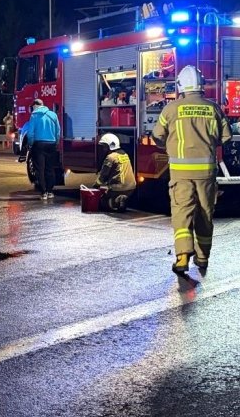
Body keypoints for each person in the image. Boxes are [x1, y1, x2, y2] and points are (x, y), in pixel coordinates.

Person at [151, 65, 231, 275]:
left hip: (180, 174)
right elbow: (226, 137)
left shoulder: (171, 109)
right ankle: (203, 258)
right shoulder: (213, 108)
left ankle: (183, 257)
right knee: (205, 213)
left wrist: (170, 142)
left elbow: (157, 135)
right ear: (201, 86)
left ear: (180, 86)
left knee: (182, 213)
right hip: (206, 173)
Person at [18, 98, 61, 200]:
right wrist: (56, 142)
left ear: (35, 106)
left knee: (39, 169)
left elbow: (31, 133)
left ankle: (43, 192)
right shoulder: (53, 115)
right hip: (51, 144)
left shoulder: (34, 116)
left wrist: (30, 144)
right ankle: (50, 191)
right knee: (50, 169)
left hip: (39, 145)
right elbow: (58, 131)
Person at [94, 133, 136, 211]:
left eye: (105, 146)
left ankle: (116, 200)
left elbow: (103, 174)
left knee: (103, 201)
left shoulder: (110, 157)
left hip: (118, 188)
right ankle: (122, 198)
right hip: (131, 187)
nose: (103, 149)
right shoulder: (125, 154)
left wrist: (96, 185)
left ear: (110, 145)